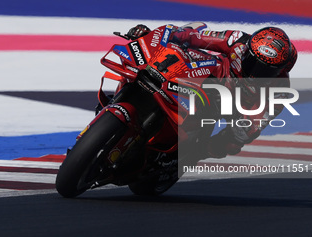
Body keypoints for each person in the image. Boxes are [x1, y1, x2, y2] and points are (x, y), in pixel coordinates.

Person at [126, 22, 298, 159]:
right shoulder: (238, 40)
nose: (255, 73)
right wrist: (153, 36)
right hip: (215, 75)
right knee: (175, 51)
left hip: (235, 107)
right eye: (253, 63)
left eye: (266, 70)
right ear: (247, 52)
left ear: (280, 71)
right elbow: (195, 36)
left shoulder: (279, 91)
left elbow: (253, 124)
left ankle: (191, 156)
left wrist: (234, 134)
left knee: (232, 143)